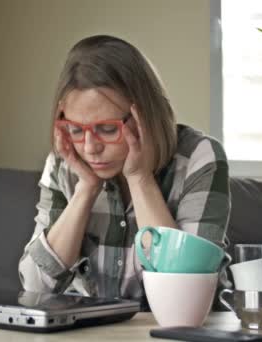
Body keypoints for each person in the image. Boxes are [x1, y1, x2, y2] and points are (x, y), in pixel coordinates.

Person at [18, 35, 230, 302]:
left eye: (107, 129)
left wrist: (140, 179)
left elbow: (185, 297)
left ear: (146, 115)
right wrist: (86, 189)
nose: (90, 147)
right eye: (75, 129)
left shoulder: (200, 159)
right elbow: (34, 289)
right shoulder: (65, 163)